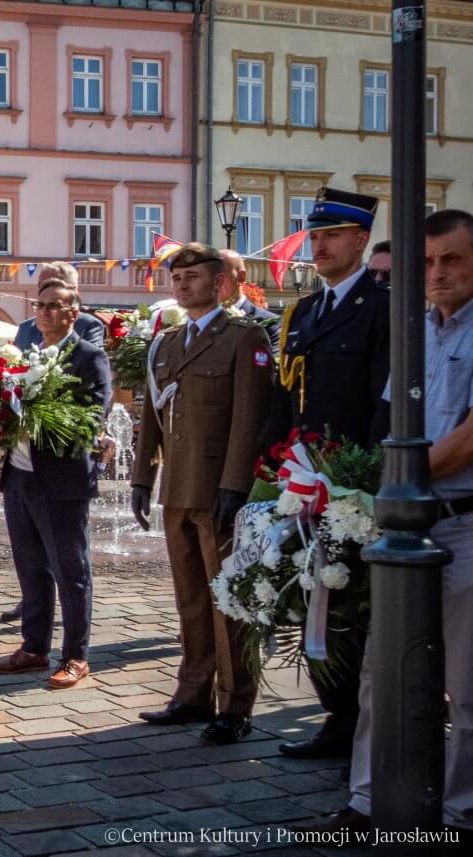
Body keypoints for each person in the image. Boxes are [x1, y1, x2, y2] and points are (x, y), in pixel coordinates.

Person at [304, 209, 473, 839]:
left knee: (466, 684)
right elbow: (384, 422)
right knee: (381, 672)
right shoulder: (415, 332)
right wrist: (360, 483)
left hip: (460, 518)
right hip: (403, 523)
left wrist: (402, 477)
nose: (438, 273)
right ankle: (368, 802)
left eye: (452, 259)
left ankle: (459, 814)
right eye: (428, 262)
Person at [263, 185, 390, 762]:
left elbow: (383, 406)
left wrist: (365, 483)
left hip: (352, 486)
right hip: (303, 480)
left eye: (331, 235)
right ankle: (337, 716)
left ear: (360, 240)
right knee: (314, 597)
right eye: (315, 235)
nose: (319, 244)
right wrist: (270, 460)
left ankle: (365, 725)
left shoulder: (382, 308)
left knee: (352, 605)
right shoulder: (306, 309)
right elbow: (287, 398)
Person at [130, 244, 274, 744]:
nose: (183, 284)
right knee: (190, 598)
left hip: (219, 489)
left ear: (220, 283)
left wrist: (236, 484)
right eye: (178, 277)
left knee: (228, 600)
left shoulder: (242, 337)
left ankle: (235, 705)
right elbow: (151, 415)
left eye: (193, 276)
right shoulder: (166, 342)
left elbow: (248, 419)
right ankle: (192, 694)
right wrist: (141, 479)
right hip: (178, 487)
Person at [0, 278, 112, 689]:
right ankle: (34, 646)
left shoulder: (88, 356)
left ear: (73, 312)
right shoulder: (26, 355)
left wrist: (43, 412)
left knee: (70, 569)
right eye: (39, 305)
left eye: (53, 306)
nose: (43, 312)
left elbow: (93, 416)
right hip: (19, 475)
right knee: (30, 566)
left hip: (61, 481)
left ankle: (76, 655)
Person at [14, 262, 106, 350]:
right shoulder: (25, 328)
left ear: (73, 289)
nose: (45, 289)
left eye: (54, 284)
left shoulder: (88, 325)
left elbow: (89, 361)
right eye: (41, 285)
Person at [218, 248, 282, 350]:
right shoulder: (201, 322)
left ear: (241, 277)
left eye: (222, 275)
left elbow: (274, 362)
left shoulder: (270, 322)